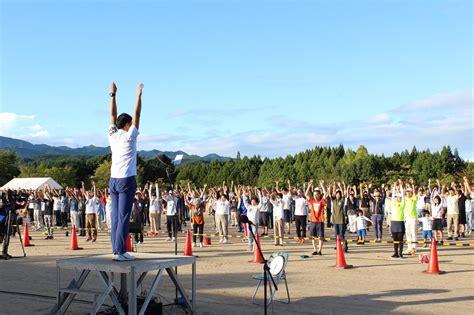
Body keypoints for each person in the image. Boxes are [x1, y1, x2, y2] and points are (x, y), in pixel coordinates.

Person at [108, 81, 143, 262]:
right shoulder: (130, 136)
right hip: (126, 179)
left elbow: (112, 115)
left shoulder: (112, 134)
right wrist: (138, 95)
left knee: (115, 216)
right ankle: (120, 251)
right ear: (128, 124)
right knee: (123, 216)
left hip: (113, 180)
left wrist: (112, 94)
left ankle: (116, 248)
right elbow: (137, 113)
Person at [307, 180, 327, 255]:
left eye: (317, 194)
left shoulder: (321, 201)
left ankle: (320, 250)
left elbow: (325, 193)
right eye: (314, 194)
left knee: (321, 236)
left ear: (319, 194)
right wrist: (309, 185)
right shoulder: (312, 201)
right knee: (313, 236)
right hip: (313, 221)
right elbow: (306, 194)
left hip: (320, 221)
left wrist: (322, 185)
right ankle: (315, 249)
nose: (315, 195)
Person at [330, 182, 348, 252]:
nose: (337, 195)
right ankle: (337, 245)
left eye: (339, 194)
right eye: (336, 194)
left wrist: (341, 186)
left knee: (341, 233)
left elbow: (344, 194)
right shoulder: (333, 201)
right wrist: (334, 186)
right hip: (335, 220)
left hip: (341, 220)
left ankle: (343, 245)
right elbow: (331, 194)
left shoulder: (342, 201)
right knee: (336, 234)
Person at [391, 181, 405, 259]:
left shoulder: (402, 204)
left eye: (398, 197)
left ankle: (400, 253)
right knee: (395, 239)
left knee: (400, 239)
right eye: (397, 197)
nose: (397, 198)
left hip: (400, 222)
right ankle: (395, 252)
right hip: (394, 222)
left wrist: (400, 186)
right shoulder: (393, 203)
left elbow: (403, 196)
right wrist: (394, 188)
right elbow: (393, 196)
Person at [403, 179, 418, 255]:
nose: (407, 193)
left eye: (409, 192)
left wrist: (412, 185)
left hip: (413, 218)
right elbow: (402, 194)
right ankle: (409, 247)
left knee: (413, 233)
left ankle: (414, 248)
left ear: (411, 193)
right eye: (407, 192)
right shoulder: (405, 199)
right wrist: (403, 185)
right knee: (408, 233)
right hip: (407, 218)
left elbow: (414, 193)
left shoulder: (414, 198)